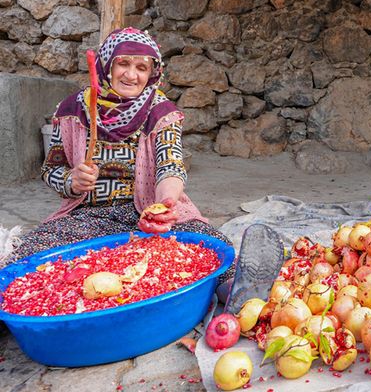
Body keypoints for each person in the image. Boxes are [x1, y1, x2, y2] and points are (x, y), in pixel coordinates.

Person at [3, 27, 232, 266]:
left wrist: (164, 205)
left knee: (214, 251)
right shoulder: (73, 109)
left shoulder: (161, 111)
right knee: (27, 258)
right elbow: (51, 169)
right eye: (123, 64)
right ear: (107, 65)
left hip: (146, 213)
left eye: (141, 68)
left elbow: (171, 166)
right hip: (88, 217)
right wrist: (72, 181)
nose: (131, 75)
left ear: (152, 73)